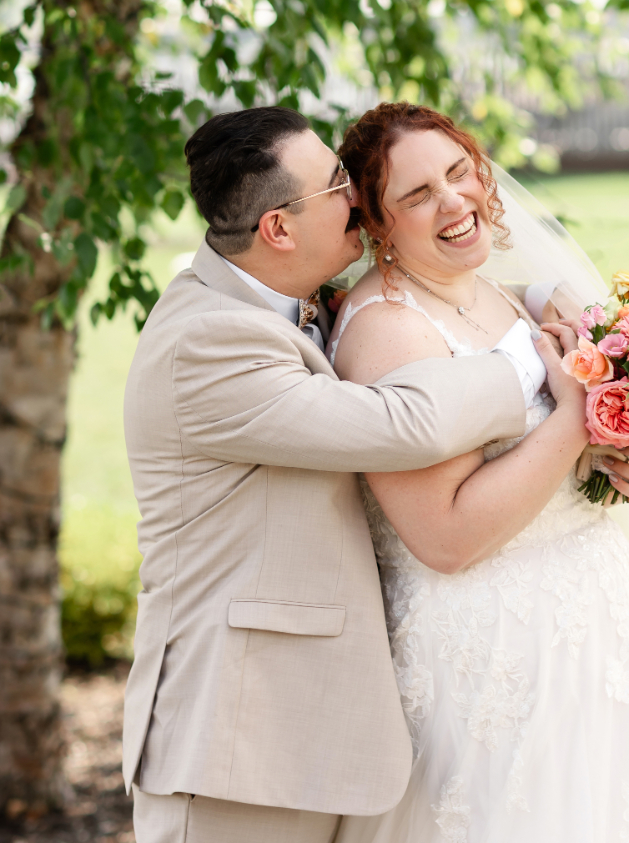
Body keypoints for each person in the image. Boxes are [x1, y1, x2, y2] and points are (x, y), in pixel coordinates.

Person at [122, 106, 545, 843]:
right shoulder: (206, 344)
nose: (357, 194)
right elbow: (403, 424)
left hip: (315, 723)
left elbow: (438, 295)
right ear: (278, 230)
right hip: (236, 745)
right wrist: (534, 356)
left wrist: (535, 300)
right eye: (337, 184)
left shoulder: (281, 296)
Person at [331, 102, 629, 843]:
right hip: (492, 665)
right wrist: (577, 417)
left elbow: (540, 461)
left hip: (596, 648)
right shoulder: (388, 331)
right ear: (378, 225)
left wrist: (606, 461)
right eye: (416, 195)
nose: (452, 201)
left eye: (457, 173)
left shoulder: (502, 294)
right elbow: (443, 535)